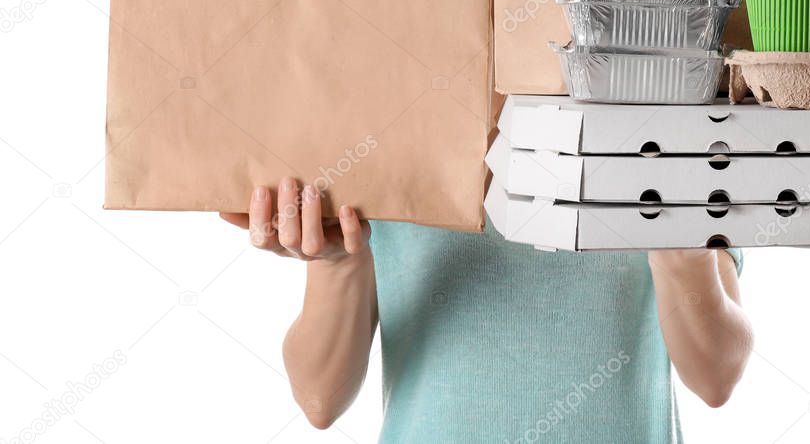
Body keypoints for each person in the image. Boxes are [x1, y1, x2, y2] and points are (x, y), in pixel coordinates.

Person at [222, 177, 753, 442]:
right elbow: (320, 399)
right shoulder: (383, 128)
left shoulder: (663, 120)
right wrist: (338, 264)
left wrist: (678, 244)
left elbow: (716, 377)